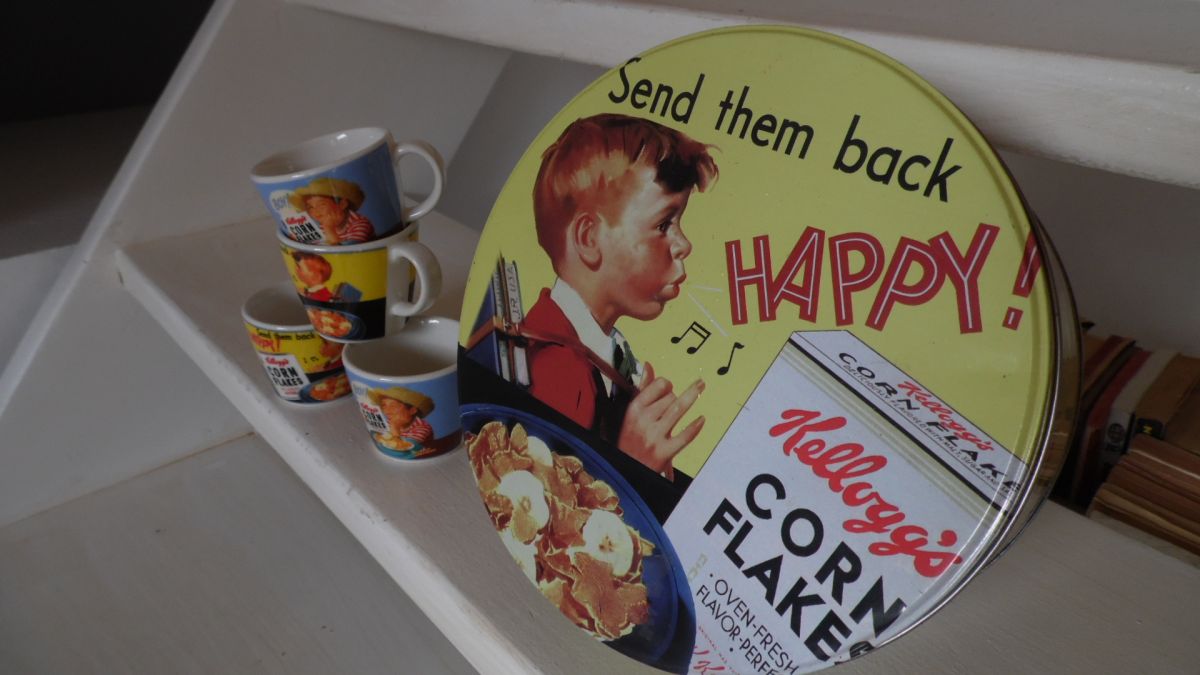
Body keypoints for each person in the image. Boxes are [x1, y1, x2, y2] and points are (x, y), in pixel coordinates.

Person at [523, 113, 718, 479]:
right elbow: (549, 501)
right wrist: (633, 464)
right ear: (589, 239)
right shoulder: (558, 370)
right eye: (663, 224)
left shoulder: (607, 354)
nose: (684, 244)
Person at [288, 177, 376, 245]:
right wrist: (300, 238)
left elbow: (347, 253)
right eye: (311, 207)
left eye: (322, 205)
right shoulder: (323, 226)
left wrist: (329, 229)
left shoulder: (360, 224)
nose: (316, 211)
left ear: (342, 204)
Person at [369, 387, 434, 446]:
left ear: (412, 410)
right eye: (384, 405)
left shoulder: (423, 428)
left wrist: (394, 428)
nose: (386, 411)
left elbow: (403, 448)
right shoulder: (390, 422)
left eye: (393, 406)